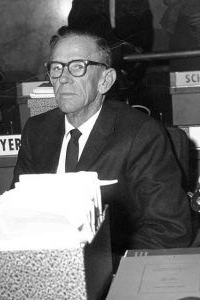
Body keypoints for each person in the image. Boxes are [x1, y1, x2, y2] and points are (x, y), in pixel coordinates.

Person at [12, 27, 193, 257]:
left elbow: (170, 228)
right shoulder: (36, 131)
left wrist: (96, 265)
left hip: (111, 272)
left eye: (78, 66)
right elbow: (16, 212)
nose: (63, 78)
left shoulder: (141, 134)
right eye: (56, 68)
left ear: (105, 80)